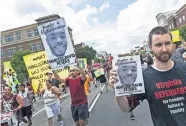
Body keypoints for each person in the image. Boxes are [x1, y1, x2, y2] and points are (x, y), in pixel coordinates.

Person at [109, 26, 186, 126]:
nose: (164, 49)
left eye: (167, 43)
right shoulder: (144, 77)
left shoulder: (184, 69)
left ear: (172, 44)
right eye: (158, 45)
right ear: (150, 48)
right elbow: (127, 107)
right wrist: (117, 89)